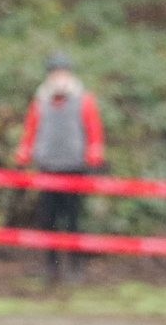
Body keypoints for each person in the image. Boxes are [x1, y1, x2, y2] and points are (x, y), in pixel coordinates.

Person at [13, 51, 106, 285]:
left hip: (75, 167)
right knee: (49, 220)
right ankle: (51, 268)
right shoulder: (41, 100)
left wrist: (95, 157)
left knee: (73, 220)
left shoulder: (84, 100)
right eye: (55, 72)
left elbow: (94, 131)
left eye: (62, 72)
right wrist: (23, 156)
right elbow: (31, 131)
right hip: (48, 167)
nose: (59, 77)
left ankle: (76, 267)